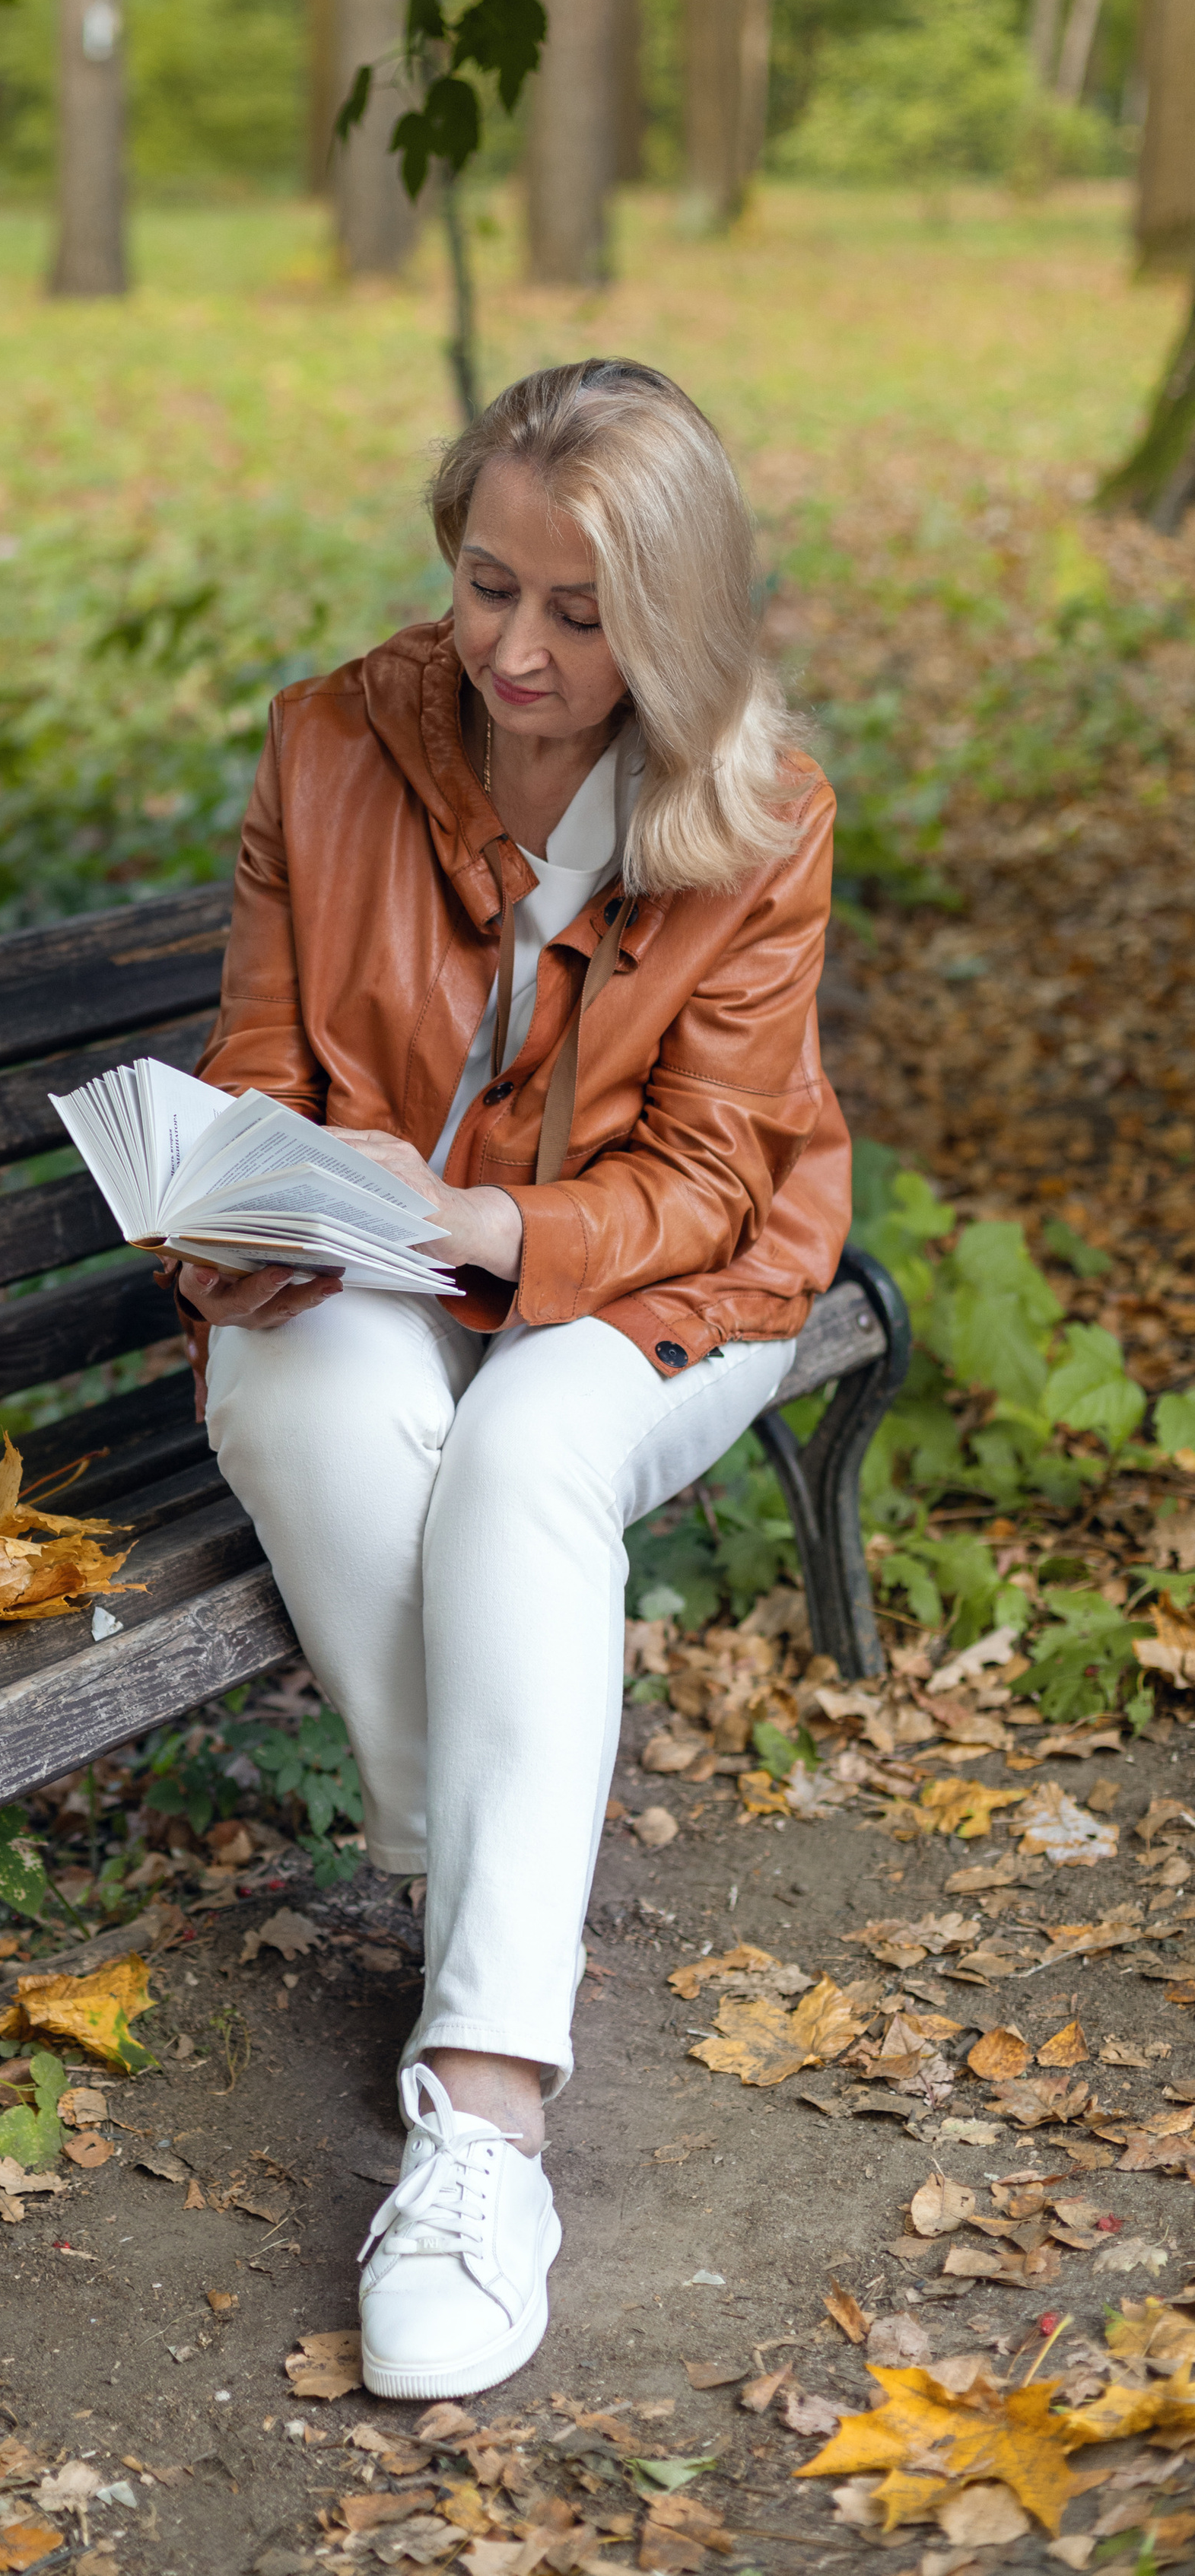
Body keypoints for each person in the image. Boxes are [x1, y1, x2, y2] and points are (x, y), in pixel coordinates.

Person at [164, 359, 850, 2403]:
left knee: (530, 1445)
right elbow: (260, 1075)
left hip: (676, 1282)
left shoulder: (757, 806)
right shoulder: (328, 749)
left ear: (673, 614)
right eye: (487, 587)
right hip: (388, 1258)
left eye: (582, 611)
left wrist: (490, 1233)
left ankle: (485, 2118)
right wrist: (253, 1195)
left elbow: (718, 1173)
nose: (520, 652)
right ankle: (503, 1897)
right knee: (292, 1387)